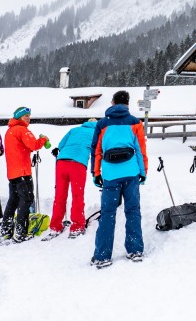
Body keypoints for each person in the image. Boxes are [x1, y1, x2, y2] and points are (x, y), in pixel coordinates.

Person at [90, 90, 148, 268]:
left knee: (108, 213)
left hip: (110, 175)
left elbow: (96, 150)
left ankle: (102, 255)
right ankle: (135, 250)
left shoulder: (102, 124)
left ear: (113, 103)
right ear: (128, 104)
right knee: (132, 210)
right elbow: (140, 149)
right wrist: (143, 172)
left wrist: (96, 173)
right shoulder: (135, 123)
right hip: (130, 173)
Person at [2, 106, 50, 241]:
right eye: (25, 116)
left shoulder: (10, 131)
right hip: (22, 172)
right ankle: (20, 231)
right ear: (18, 117)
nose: (28, 118)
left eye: (29, 115)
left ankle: (6, 229)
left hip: (13, 172)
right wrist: (43, 140)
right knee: (26, 199)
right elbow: (33, 145)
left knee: (13, 200)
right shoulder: (22, 130)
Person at [46, 118, 97, 238]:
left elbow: (61, 145)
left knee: (59, 195)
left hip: (62, 162)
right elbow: (97, 150)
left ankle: (55, 226)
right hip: (78, 164)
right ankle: (77, 226)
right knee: (77, 195)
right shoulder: (97, 132)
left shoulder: (74, 129)